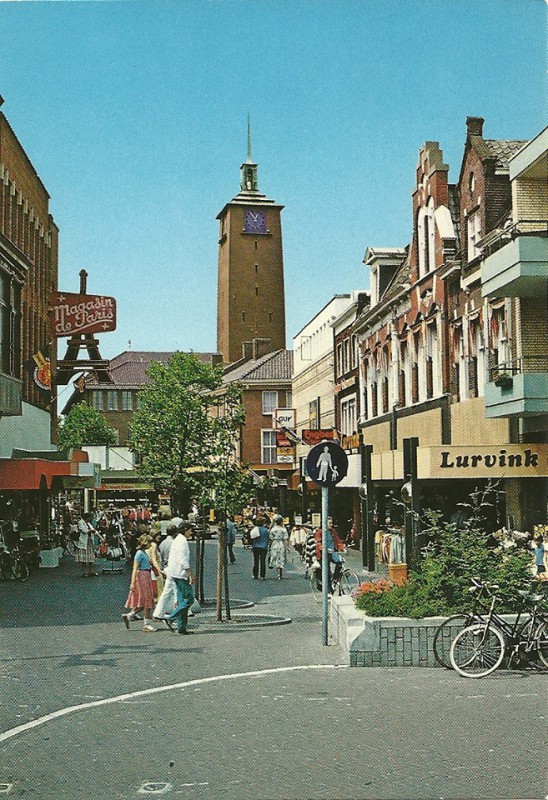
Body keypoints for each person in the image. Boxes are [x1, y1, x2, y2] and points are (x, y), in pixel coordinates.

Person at [122, 534, 157, 632]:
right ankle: (146, 624)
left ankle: (130, 615)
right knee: (147, 600)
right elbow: (135, 568)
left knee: (145, 601)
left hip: (146, 575)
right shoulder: (139, 554)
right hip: (142, 576)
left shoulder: (144, 553)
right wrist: (132, 582)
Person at [164, 523, 195, 635]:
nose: (191, 533)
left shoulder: (178, 539)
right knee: (189, 599)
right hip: (180, 573)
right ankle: (171, 617)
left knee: (182, 600)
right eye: (190, 530)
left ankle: (182, 627)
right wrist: (190, 573)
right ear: (185, 530)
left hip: (175, 572)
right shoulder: (182, 541)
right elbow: (183, 560)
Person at [75, 512, 103, 577]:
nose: (92, 519)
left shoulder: (89, 523)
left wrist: (100, 537)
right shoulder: (80, 522)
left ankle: (91, 571)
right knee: (84, 558)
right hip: (84, 541)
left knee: (91, 557)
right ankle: (84, 572)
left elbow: (94, 531)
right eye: (91, 517)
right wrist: (90, 531)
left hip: (90, 541)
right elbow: (84, 530)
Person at [269, 515, 289, 580]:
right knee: (281, 557)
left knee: (275, 557)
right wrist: (287, 546)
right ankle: (280, 573)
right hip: (281, 543)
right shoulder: (283, 529)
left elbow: (270, 537)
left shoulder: (273, 529)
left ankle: (278, 573)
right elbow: (286, 538)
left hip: (274, 544)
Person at [250, 516, 270, 580]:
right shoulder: (266, 530)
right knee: (263, 561)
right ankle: (262, 575)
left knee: (256, 561)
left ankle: (255, 574)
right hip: (264, 547)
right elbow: (268, 538)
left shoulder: (255, 529)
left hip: (256, 546)